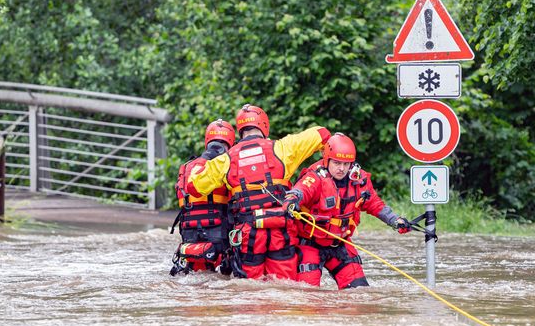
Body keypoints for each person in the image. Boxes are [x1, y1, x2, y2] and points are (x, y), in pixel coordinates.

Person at [186, 104, 330, 280]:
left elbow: (193, 186)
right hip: (281, 232)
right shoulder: (283, 148)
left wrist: (206, 158)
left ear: (240, 130)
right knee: (283, 287)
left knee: (250, 294)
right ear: (264, 125)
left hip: (249, 235)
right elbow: (322, 133)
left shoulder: (226, 159)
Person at [283, 133, 412, 289]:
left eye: (346, 164)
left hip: (340, 244)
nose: (342, 168)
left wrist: (395, 221)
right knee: (308, 294)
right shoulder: (315, 178)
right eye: (337, 163)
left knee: (359, 291)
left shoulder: (359, 180)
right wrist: (293, 199)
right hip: (310, 245)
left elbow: (375, 204)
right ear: (327, 159)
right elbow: (301, 190)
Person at [170, 119, 235, 276]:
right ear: (231, 141)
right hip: (219, 231)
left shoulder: (185, 167)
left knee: (194, 276)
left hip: (189, 233)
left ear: (207, 140)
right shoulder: (227, 163)